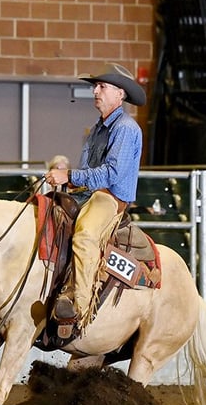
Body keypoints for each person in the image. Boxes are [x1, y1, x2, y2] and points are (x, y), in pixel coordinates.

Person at [44, 62, 146, 334]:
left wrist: (70, 177)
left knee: (86, 235)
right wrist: (71, 182)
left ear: (120, 94)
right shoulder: (99, 128)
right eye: (96, 87)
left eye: (102, 86)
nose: (96, 91)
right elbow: (90, 170)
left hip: (109, 197)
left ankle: (80, 305)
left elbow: (111, 174)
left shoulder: (126, 128)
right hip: (91, 193)